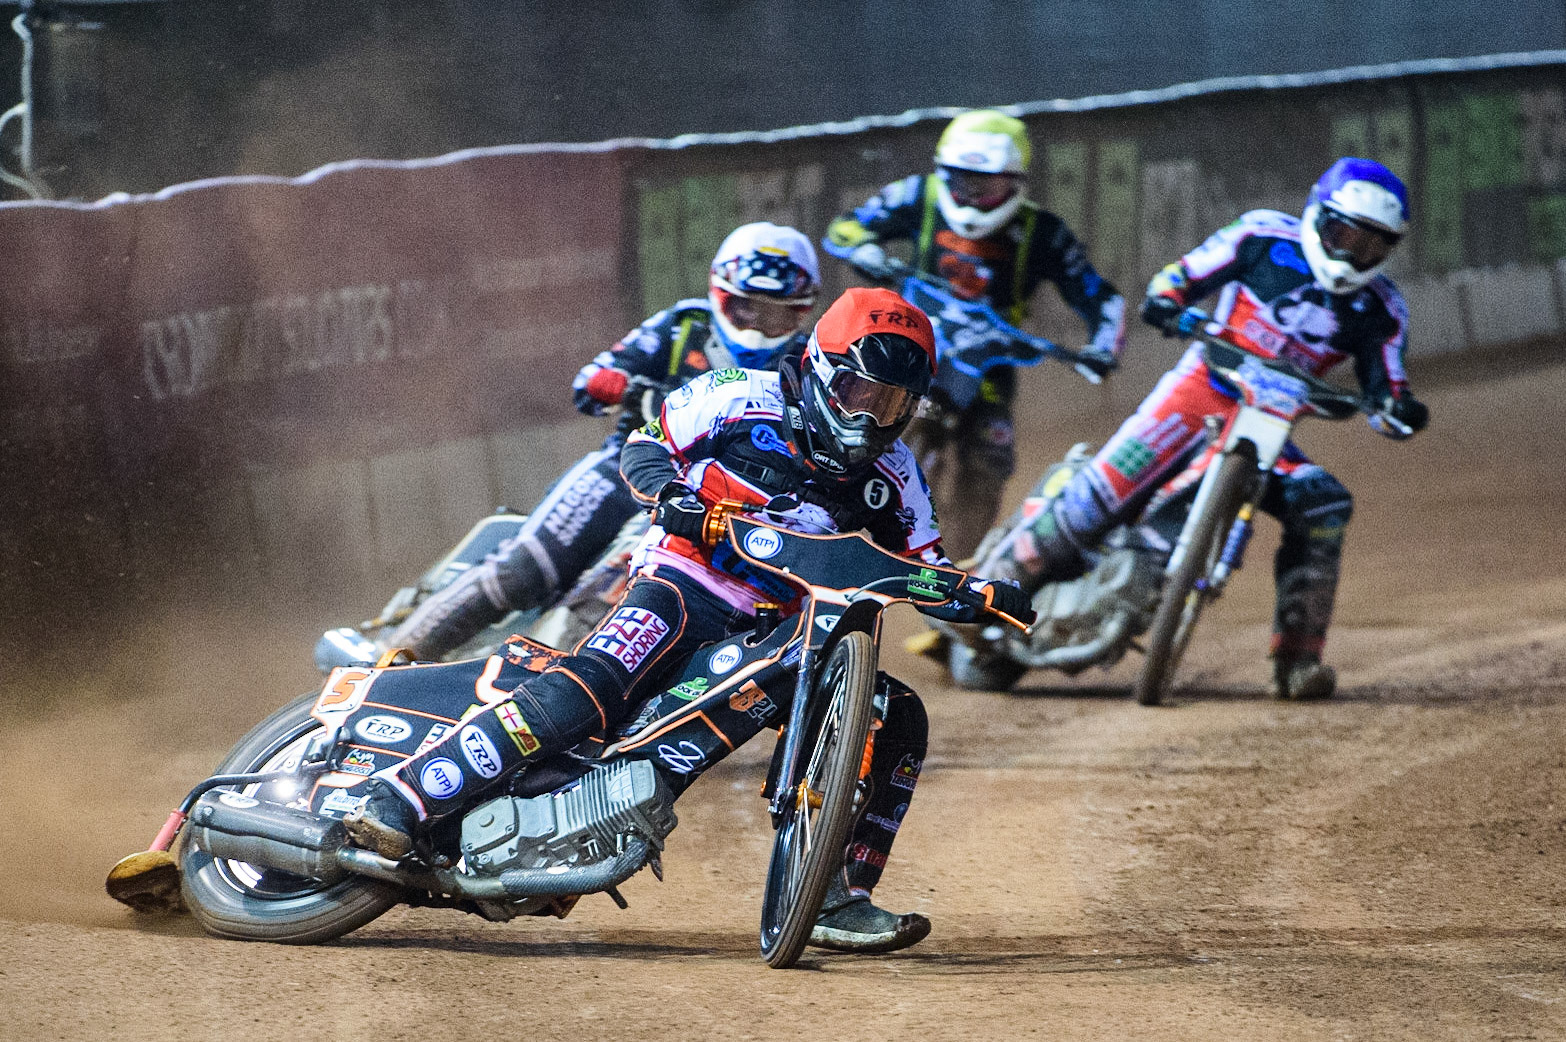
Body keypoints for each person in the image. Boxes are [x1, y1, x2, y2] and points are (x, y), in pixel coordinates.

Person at [345, 287, 1033, 953]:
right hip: (685, 581)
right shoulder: (740, 392)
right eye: (859, 394)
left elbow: (927, 566)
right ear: (821, 373)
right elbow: (646, 445)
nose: (870, 420)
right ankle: (400, 795)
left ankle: (834, 896)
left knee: (898, 716)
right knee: (596, 684)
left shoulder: (899, 474)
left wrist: (985, 594)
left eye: (893, 405)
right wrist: (668, 494)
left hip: (784, 631)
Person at [971, 157, 1430, 699]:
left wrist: (1396, 408)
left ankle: (1298, 661)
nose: (1353, 253)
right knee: (1096, 496)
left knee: (1324, 504)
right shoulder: (1261, 236)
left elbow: (1389, 383)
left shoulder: (1383, 309)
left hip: (1268, 428)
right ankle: (976, 604)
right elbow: (1182, 275)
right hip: (1198, 393)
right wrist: (1168, 301)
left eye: (1373, 246)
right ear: (1317, 215)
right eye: (1344, 234)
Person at [381, 222, 821, 660]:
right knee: (523, 570)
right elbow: (590, 382)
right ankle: (388, 659)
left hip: (713, 503)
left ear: (800, 311)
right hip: (625, 467)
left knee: (643, 601)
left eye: (775, 313)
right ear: (720, 293)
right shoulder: (683, 326)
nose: (758, 326)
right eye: (747, 309)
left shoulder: (806, 364)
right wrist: (633, 391)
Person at [821, 108, 1127, 556]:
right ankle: (821, 516)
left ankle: (957, 565)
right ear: (944, 171)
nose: (971, 194)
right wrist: (866, 248)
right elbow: (846, 226)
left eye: (987, 184)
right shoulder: (919, 195)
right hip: (911, 341)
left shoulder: (1043, 232)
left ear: (1016, 181)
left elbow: (1102, 298)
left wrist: (1102, 348)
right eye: (962, 180)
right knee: (856, 418)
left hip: (990, 361)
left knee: (989, 462)